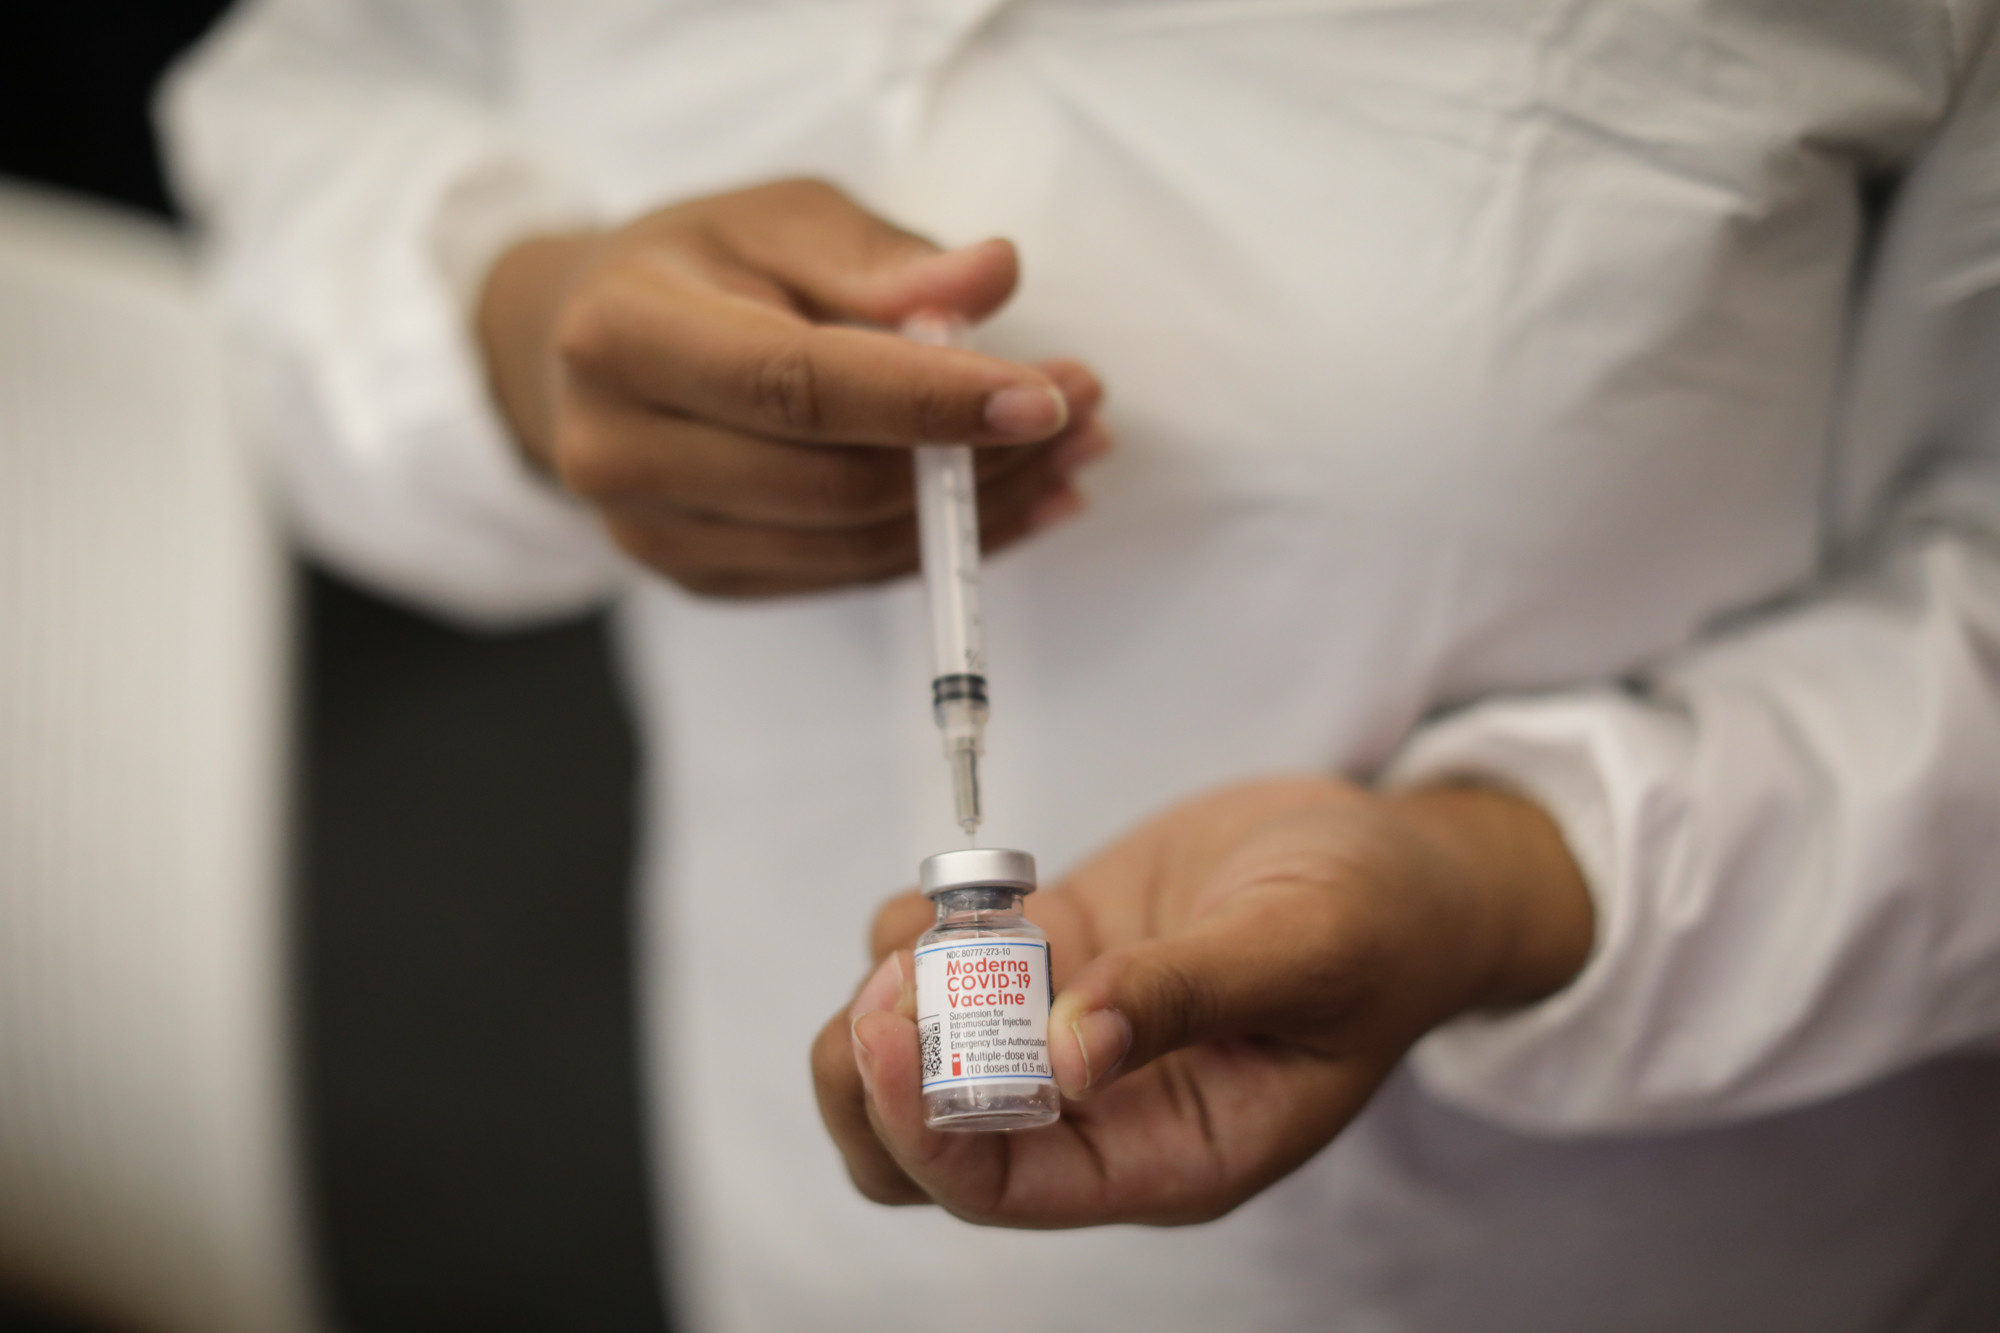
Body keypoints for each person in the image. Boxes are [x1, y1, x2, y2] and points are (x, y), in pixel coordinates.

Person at [162, 2, 2000, 1329]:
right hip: (807, 1238)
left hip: (1595, 1254)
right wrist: (514, 316)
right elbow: (305, 92)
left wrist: (1508, 878)